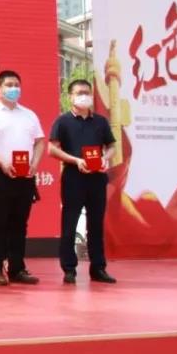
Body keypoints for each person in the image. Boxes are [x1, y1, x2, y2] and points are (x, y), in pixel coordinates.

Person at [0, 70, 46, 286]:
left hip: (25, 175)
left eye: (16, 85)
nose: (14, 89)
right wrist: (2, 163)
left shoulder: (29, 115)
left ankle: (17, 268)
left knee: (19, 223)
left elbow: (40, 141)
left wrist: (35, 164)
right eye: (9, 85)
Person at [49, 79, 117, 284]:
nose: (84, 96)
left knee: (96, 225)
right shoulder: (63, 121)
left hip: (97, 178)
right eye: (79, 93)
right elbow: (52, 149)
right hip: (74, 177)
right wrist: (76, 160)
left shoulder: (100, 121)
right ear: (70, 96)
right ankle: (69, 269)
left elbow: (111, 146)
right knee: (69, 224)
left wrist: (105, 158)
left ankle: (98, 268)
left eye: (87, 92)